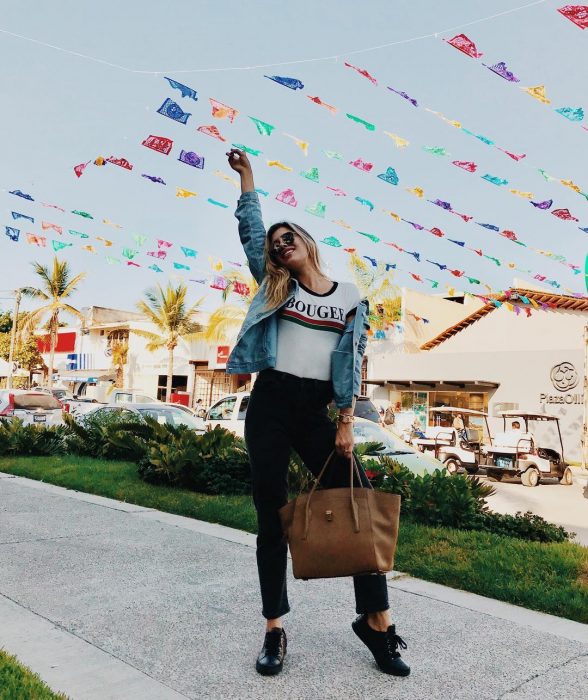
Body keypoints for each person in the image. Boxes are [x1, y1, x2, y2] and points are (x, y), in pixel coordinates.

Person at [225, 148, 410, 678]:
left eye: (290, 237)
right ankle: (274, 629)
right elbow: (251, 229)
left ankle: (376, 623)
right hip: (271, 401)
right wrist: (248, 180)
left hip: (316, 410)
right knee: (270, 515)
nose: (282, 245)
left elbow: (349, 364)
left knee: (358, 501)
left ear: (307, 241)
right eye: (276, 244)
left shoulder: (349, 296)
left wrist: (347, 420)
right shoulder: (274, 287)